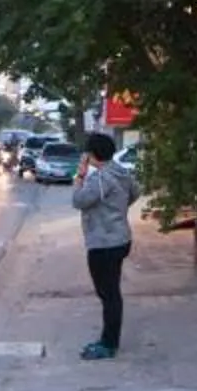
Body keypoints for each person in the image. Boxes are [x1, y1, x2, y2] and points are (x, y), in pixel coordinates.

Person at [71, 131, 136, 360]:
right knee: (112, 292)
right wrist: (115, 210)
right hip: (121, 238)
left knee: (108, 295)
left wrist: (79, 177)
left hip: (103, 242)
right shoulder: (122, 172)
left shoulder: (99, 179)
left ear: (91, 155)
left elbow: (78, 201)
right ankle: (109, 340)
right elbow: (134, 194)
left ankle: (109, 344)